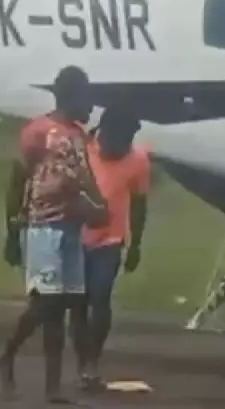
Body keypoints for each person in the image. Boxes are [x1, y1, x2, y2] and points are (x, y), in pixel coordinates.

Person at [0, 65, 109, 404]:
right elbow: (18, 180)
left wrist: (100, 205)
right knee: (47, 304)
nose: (91, 106)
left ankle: (52, 388)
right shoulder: (38, 131)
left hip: (72, 229)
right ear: (71, 96)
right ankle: (8, 354)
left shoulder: (78, 135)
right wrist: (12, 230)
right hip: (43, 227)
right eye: (87, 98)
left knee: (67, 304)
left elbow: (86, 176)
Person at [71, 108, 150, 392]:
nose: (122, 146)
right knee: (78, 304)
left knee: (101, 297)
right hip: (75, 238)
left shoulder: (138, 160)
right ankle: (83, 362)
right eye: (118, 139)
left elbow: (139, 204)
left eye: (128, 141)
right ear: (103, 132)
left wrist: (136, 244)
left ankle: (92, 362)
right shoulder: (81, 151)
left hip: (110, 240)